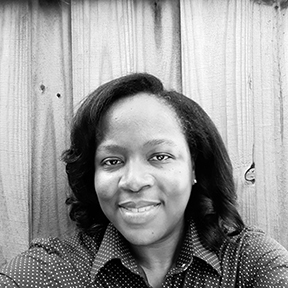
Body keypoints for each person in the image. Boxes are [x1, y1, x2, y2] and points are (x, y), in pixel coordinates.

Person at [1, 73, 288, 287]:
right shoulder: (54, 271)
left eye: (160, 156)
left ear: (194, 167)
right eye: (112, 161)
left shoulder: (248, 263)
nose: (134, 181)